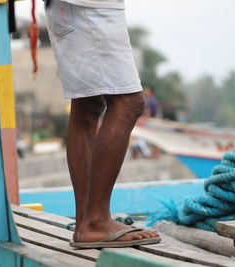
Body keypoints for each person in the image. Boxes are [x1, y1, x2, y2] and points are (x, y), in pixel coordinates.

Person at [45, 0, 160, 248]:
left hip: (72, 9)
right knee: (129, 102)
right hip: (89, 7)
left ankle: (86, 222)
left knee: (89, 105)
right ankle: (96, 221)